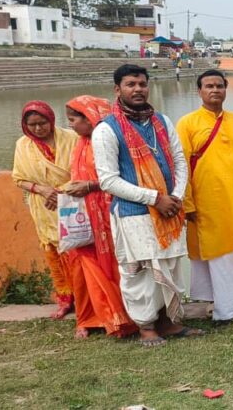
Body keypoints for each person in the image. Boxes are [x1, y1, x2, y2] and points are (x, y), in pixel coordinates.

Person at [93, 64, 202, 347]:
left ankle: (169, 322)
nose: (138, 89)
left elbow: (179, 162)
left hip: (169, 211)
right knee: (139, 273)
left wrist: (175, 197)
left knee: (170, 267)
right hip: (135, 215)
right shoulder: (106, 129)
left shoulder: (162, 122)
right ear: (118, 89)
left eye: (142, 84)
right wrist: (155, 199)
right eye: (131, 84)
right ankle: (147, 327)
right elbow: (108, 181)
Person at [177, 70, 233, 320]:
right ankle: (221, 300)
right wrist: (187, 201)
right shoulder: (187, 123)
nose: (215, 90)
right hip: (206, 199)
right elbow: (181, 163)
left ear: (226, 90)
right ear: (199, 91)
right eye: (209, 86)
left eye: (219, 86)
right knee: (216, 248)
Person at [62, 96, 138, 339]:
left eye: (74, 120)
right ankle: (86, 318)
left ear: (90, 117)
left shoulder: (107, 140)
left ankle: (118, 315)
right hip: (83, 217)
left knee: (114, 263)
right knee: (82, 265)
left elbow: (123, 177)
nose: (71, 125)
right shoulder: (80, 144)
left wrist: (90, 186)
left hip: (108, 212)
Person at [12, 100, 79, 319]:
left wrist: (59, 192)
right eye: (32, 125)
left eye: (42, 123)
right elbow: (19, 179)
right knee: (54, 255)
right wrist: (41, 190)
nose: (38, 128)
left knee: (77, 254)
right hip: (43, 208)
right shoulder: (23, 145)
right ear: (25, 126)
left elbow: (84, 171)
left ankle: (85, 299)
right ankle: (65, 299)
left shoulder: (72, 138)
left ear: (51, 120)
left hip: (72, 204)